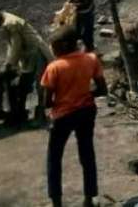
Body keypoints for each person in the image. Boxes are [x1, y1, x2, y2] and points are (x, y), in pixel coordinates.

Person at [41, 26, 106, 207]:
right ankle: (89, 199)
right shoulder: (91, 59)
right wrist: (84, 95)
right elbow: (102, 89)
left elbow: (47, 102)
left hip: (63, 116)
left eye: (53, 46)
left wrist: (61, 101)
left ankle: (56, 203)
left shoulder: (54, 67)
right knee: (87, 154)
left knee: (54, 158)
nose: (52, 49)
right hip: (86, 111)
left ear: (62, 46)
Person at [0, 6, 52, 125]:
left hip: (37, 53)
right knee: (24, 84)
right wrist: (8, 63)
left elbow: (16, 46)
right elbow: (11, 45)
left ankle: (41, 115)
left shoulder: (11, 23)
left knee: (40, 85)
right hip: (27, 55)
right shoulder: (5, 22)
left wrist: (10, 64)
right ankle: (20, 112)